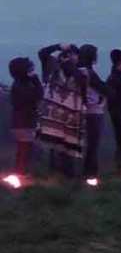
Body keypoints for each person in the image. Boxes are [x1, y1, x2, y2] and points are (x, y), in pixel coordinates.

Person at [37, 43, 86, 177]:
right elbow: (42, 53)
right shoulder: (52, 66)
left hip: (68, 118)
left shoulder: (79, 72)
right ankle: (55, 178)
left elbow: (81, 85)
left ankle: (65, 180)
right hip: (53, 117)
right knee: (54, 148)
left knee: (66, 149)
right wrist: (58, 46)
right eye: (73, 55)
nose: (75, 58)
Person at [77, 45, 111, 182]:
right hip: (93, 110)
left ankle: (86, 173)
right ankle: (90, 174)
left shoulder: (78, 70)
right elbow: (105, 89)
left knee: (86, 144)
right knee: (93, 144)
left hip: (83, 110)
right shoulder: (88, 72)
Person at [8, 57, 43, 177]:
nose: (33, 71)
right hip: (25, 123)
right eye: (31, 69)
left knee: (23, 150)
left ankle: (20, 174)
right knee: (25, 151)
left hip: (19, 122)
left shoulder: (18, 84)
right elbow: (38, 95)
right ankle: (21, 175)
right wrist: (36, 80)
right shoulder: (22, 86)